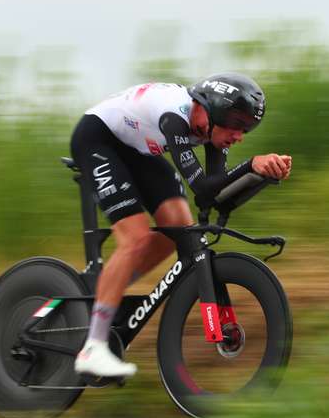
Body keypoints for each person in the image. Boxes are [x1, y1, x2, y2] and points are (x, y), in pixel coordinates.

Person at [69, 73, 292, 377]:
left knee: (181, 230)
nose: (240, 135)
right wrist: (251, 164)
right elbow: (202, 187)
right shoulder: (174, 116)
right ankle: (92, 346)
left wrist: (263, 177)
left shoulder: (212, 131)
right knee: (135, 239)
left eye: (247, 129)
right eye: (237, 124)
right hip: (98, 140)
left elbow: (213, 194)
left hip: (137, 152)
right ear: (213, 111)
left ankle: (110, 287)